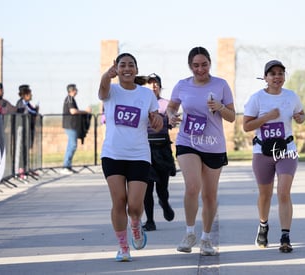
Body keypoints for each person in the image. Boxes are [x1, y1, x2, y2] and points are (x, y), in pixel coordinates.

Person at [166, 46, 235, 256]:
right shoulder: (181, 85)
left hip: (213, 144)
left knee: (209, 195)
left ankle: (206, 238)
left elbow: (232, 117)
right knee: (192, 187)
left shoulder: (221, 85)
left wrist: (220, 107)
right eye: (195, 65)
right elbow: (171, 107)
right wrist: (170, 116)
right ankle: (189, 233)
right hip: (188, 141)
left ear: (209, 64)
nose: (200, 69)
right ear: (190, 66)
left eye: (204, 64)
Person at [99, 53, 163, 262]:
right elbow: (102, 91)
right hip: (113, 154)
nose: (127, 68)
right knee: (118, 201)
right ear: (116, 68)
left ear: (136, 69)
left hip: (139, 155)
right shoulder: (111, 90)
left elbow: (157, 122)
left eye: (131, 65)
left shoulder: (146, 94)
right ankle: (123, 247)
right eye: (122, 65)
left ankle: (136, 225)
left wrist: (157, 121)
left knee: (134, 206)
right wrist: (106, 77)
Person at [243, 60, 305, 253]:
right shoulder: (256, 99)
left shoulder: (291, 96)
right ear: (265, 78)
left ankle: (285, 236)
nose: (277, 77)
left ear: (284, 76)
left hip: (286, 149)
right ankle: (263, 225)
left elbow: (301, 115)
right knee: (265, 194)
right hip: (262, 152)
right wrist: (266, 118)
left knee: (283, 192)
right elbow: (246, 126)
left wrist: (300, 118)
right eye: (273, 74)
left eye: (280, 73)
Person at [142, 73, 176, 231]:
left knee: (162, 187)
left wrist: (172, 119)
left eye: (156, 83)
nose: (153, 86)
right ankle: (149, 220)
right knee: (146, 188)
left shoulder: (166, 104)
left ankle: (164, 203)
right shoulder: (140, 102)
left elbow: (171, 118)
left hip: (162, 149)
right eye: (150, 83)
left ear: (160, 86)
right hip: (145, 149)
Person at [61, 83, 91, 174]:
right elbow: (73, 111)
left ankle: (68, 166)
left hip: (72, 125)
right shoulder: (69, 99)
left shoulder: (71, 99)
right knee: (72, 145)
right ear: (72, 90)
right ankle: (65, 166)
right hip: (70, 125)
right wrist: (85, 111)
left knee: (71, 145)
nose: (77, 91)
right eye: (75, 89)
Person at [15, 84, 39, 179]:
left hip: (29, 128)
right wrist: (35, 111)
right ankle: (20, 170)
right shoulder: (21, 103)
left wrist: (36, 110)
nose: (31, 95)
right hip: (22, 128)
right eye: (30, 93)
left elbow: (33, 111)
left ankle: (26, 168)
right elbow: (30, 111)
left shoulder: (28, 103)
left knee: (27, 148)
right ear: (25, 95)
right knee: (22, 149)